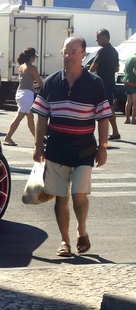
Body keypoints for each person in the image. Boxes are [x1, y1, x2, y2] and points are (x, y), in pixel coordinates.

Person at [32, 36, 111, 257]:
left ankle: (81, 230)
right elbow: (41, 118)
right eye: (65, 52)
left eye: (73, 52)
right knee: (61, 198)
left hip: (85, 150)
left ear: (84, 54)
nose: (68, 56)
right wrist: (38, 146)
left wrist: (103, 146)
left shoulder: (94, 83)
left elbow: (103, 118)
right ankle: (65, 241)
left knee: (79, 194)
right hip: (56, 149)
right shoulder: (51, 82)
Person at [3, 47, 43, 146]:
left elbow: (26, 82)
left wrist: (34, 85)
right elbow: (40, 82)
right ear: (32, 57)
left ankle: (37, 140)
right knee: (19, 118)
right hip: (27, 95)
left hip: (20, 93)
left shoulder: (21, 67)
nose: (35, 58)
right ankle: (8, 137)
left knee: (30, 117)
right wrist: (38, 85)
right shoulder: (32, 68)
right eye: (35, 56)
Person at [90, 28, 120, 140]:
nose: (96, 40)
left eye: (98, 38)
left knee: (95, 107)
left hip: (101, 83)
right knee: (109, 107)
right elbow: (117, 68)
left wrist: (88, 74)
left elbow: (94, 66)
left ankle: (90, 131)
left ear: (104, 37)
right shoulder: (114, 51)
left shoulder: (102, 51)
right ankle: (115, 131)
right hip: (110, 82)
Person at [123, 50, 136, 124]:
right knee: (135, 102)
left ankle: (127, 118)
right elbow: (134, 70)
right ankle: (133, 119)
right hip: (134, 82)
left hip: (126, 81)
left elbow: (124, 70)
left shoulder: (128, 58)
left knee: (129, 101)